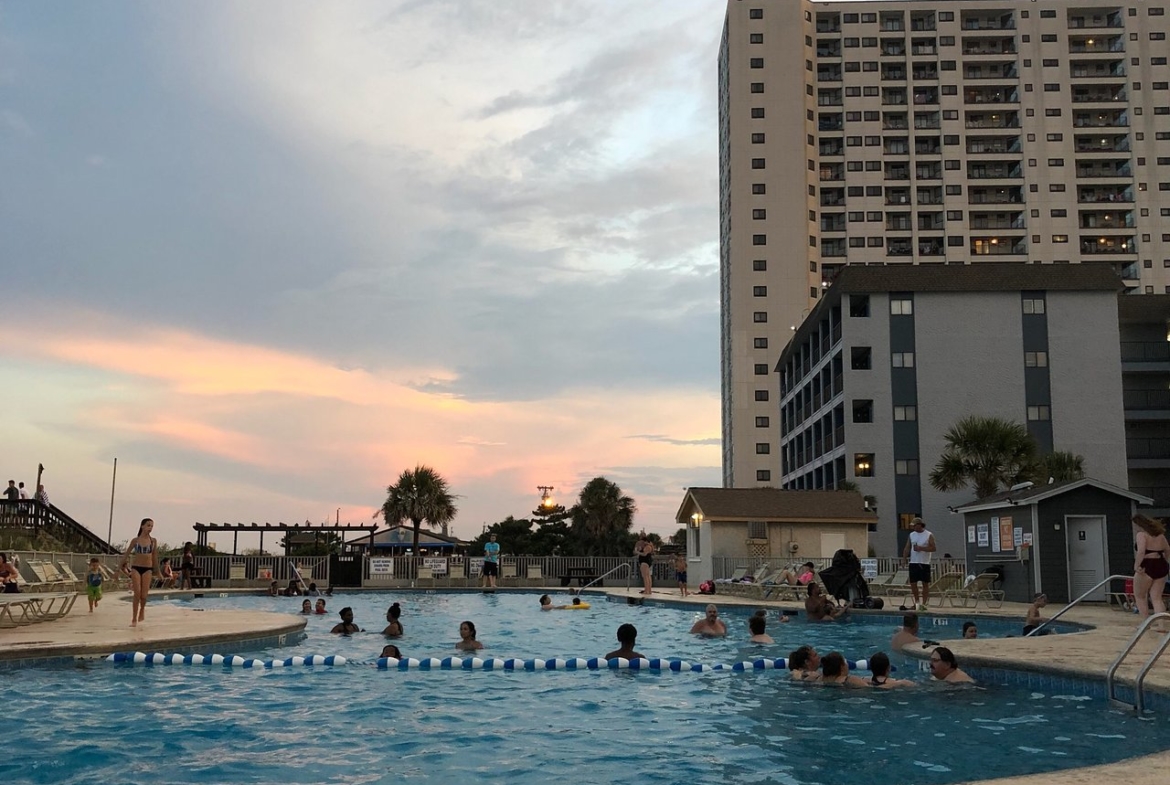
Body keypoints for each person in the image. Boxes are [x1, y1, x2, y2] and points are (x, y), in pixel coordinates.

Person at [121, 517, 158, 628]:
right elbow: (126, 555)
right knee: (137, 594)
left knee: (144, 596)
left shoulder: (153, 541)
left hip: (148, 569)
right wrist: (118, 569)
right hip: (136, 568)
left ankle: (142, 610)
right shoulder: (135, 541)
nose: (150, 528)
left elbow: (155, 557)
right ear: (142, 526)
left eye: (151, 526)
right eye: (148, 525)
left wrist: (158, 572)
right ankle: (134, 618)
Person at [1133, 513, 1169, 620]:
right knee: (1157, 598)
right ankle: (1161, 625)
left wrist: (1136, 565)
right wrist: (1166, 561)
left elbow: (1141, 551)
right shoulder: (1160, 535)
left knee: (1140, 596)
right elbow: (1168, 550)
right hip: (1161, 564)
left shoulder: (1141, 535)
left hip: (1146, 565)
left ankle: (1145, 623)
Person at [903, 517, 937, 611]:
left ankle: (924, 603)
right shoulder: (912, 535)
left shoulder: (929, 535)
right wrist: (904, 559)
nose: (913, 527)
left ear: (920, 525)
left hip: (924, 563)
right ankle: (917, 602)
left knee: (925, 584)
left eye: (915, 525)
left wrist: (921, 548)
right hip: (913, 562)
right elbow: (907, 547)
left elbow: (933, 548)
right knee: (913, 583)